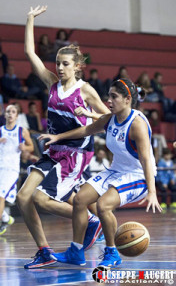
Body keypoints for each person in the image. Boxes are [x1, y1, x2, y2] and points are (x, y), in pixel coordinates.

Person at [17, 5, 110, 269]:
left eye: (65, 64)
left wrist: (88, 114)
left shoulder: (86, 90)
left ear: (77, 67)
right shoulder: (51, 84)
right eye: (57, 63)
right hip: (54, 149)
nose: (59, 67)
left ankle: (91, 221)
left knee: (39, 198)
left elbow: (107, 120)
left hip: (76, 152)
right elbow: (29, 52)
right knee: (23, 197)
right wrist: (30, 19)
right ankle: (45, 251)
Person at [39, 78, 162, 267]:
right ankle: (76, 252)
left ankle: (112, 253)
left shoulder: (137, 125)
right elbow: (86, 130)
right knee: (80, 199)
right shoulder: (109, 119)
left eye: (114, 97)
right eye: (108, 97)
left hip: (139, 175)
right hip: (116, 170)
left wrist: (152, 192)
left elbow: (146, 159)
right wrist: (57, 137)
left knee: (103, 205)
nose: (108, 101)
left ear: (127, 99)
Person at [0, 104, 34, 239]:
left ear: (17, 116)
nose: (10, 114)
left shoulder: (22, 131)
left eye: (13, 112)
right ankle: (6, 218)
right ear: (5, 115)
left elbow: (31, 146)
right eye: (8, 112)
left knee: (0, 196)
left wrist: (25, 147)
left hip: (11, 169)